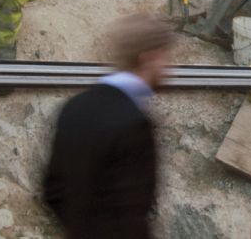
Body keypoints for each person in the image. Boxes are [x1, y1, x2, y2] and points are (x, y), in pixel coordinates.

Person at [43, 13, 176, 238]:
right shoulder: (135, 123)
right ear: (149, 57)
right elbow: (130, 216)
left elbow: (54, 191)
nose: (168, 68)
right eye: (166, 58)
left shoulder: (74, 106)